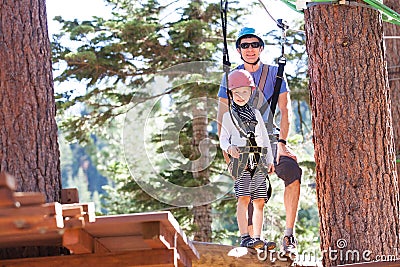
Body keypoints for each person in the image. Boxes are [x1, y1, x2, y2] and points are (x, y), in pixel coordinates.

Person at [217, 27, 302, 256]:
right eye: (245, 45)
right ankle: (252, 239)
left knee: (292, 170)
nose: (250, 49)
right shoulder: (230, 79)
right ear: (238, 50)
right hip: (242, 141)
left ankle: (288, 235)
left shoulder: (275, 74)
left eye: (254, 44)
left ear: (261, 48)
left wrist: (282, 143)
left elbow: (285, 110)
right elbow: (221, 118)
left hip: (270, 137)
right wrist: (228, 157)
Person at [219, 69, 275, 249]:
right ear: (230, 94)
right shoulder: (229, 117)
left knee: (259, 200)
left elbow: (264, 137)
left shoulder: (256, 114)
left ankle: (258, 237)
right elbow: (222, 139)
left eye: (245, 92)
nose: (241, 96)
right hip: (241, 159)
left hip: (258, 158)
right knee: (243, 198)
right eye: (237, 92)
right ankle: (245, 236)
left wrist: (270, 159)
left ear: (251, 92)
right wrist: (229, 148)